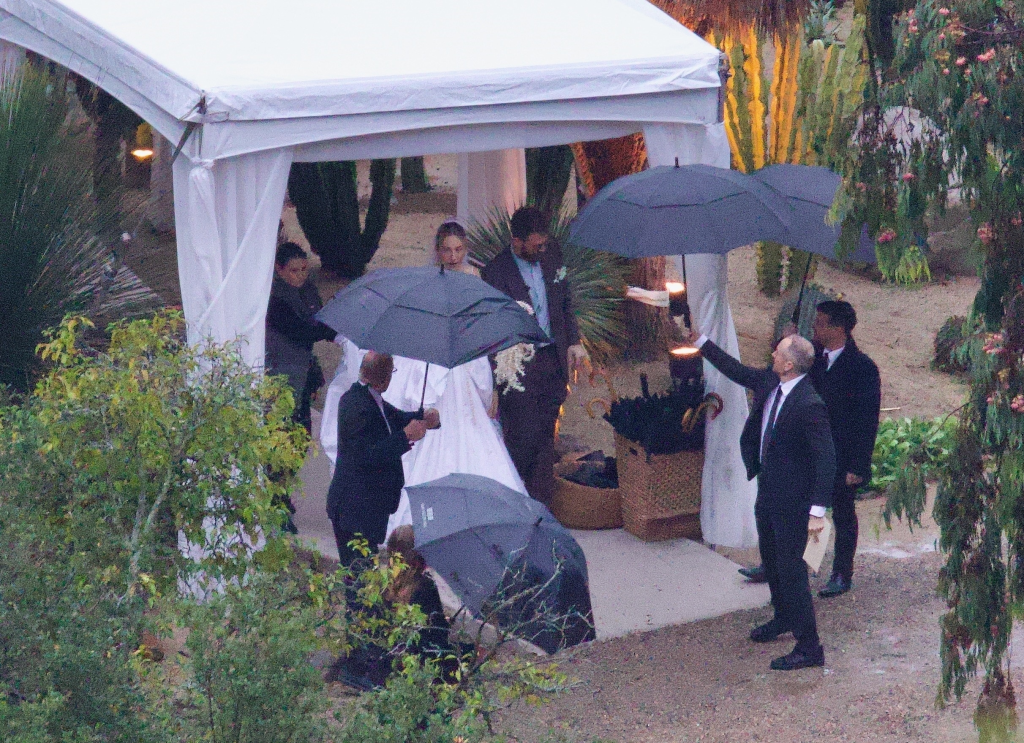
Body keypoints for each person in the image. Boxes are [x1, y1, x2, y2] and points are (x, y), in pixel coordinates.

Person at [320, 220, 528, 540]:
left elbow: (477, 340)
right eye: (447, 249)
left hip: (462, 370)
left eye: (459, 249)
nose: (453, 255)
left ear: (466, 249)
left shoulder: (474, 280)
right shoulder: (430, 280)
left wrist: (487, 392)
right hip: (435, 362)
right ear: (437, 250)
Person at [688, 328, 836, 671]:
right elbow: (737, 371)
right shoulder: (772, 383)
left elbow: (826, 457)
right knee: (771, 560)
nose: (772, 356)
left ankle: (809, 646)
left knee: (792, 569)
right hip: (768, 492)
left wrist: (817, 507)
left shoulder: (809, 404)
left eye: (778, 354)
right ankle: (782, 615)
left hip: (794, 503)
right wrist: (701, 343)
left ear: (788, 365)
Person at [481, 206, 588, 504]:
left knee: (545, 437)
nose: (543, 248)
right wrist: (494, 381)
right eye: (536, 244)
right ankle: (515, 500)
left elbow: (564, 301)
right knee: (522, 437)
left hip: (552, 361)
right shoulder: (495, 273)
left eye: (544, 242)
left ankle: (543, 505)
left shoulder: (552, 254)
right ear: (517, 241)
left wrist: (574, 342)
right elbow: (493, 330)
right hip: (519, 366)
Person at [327, 351, 439, 565]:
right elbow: (366, 456)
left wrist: (423, 417)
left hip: (369, 508)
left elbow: (395, 418)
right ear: (385, 378)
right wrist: (405, 437)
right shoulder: (355, 404)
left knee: (364, 577)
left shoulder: (371, 399)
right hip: (355, 509)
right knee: (359, 579)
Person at [810, 301, 881, 598]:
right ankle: (797, 565)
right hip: (812, 451)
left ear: (838, 329)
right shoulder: (813, 360)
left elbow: (867, 421)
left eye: (821, 323)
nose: (815, 328)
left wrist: (857, 466)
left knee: (842, 512)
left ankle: (842, 571)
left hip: (841, 454)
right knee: (802, 510)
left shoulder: (862, 368)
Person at [265, 241, 336, 433]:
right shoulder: (273, 297)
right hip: (278, 370)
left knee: (302, 431)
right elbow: (300, 331)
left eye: (304, 269)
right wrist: (330, 329)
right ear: (279, 269)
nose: (300, 275)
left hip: (303, 368)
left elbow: (318, 319)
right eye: (294, 270)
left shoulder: (308, 290)